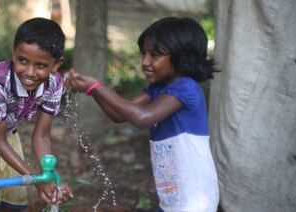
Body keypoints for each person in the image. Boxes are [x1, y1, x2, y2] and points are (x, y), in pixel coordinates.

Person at [66, 17, 220, 212]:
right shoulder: (157, 88)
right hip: (172, 196)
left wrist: (97, 86)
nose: (145, 62)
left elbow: (142, 117)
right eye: (144, 54)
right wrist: (92, 90)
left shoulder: (186, 88)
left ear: (182, 56)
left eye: (155, 55)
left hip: (195, 198)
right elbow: (120, 114)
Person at [0, 17, 73, 211]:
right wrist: (37, 180)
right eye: (22, 61)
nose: (29, 72)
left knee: (16, 194)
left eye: (41, 65)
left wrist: (47, 178)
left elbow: (41, 135)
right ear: (14, 53)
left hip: (5, 126)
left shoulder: (55, 83)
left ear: (56, 64)